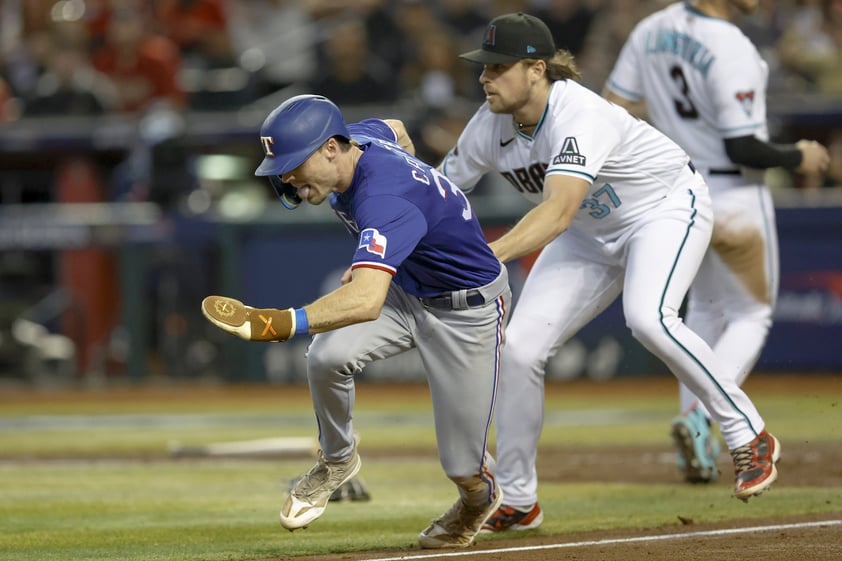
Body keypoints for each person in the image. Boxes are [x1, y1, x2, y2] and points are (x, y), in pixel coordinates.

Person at [438, 12, 780, 533]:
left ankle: (748, 434)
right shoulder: (489, 124)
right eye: (483, 68)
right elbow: (438, 194)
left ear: (535, 69)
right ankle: (519, 498)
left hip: (662, 207)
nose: (484, 77)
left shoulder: (578, 112)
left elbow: (556, 212)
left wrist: (491, 255)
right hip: (590, 235)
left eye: (497, 67)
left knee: (648, 318)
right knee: (521, 347)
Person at [200, 94, 511, 549]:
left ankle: (476, 500)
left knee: (463, 466)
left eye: (292, 163)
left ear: (330, 148)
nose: (287, 176)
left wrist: (281, 322)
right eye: (281, 167)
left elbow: (365, 300)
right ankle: (337, 461)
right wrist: (409, 229)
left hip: (467, 313)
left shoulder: (385, 196)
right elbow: (397, 125)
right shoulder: (359, 140)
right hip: (407, 291)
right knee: (328, 355)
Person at [602, 0, 831, 484]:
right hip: (736, 194)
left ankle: (701, 447)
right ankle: (702, 420)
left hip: (677, 191)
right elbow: (742, 144)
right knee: (752, 313)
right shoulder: (731, 44)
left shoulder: (650, 28)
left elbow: (613, 109)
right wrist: (798, 155)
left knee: (702, 313)